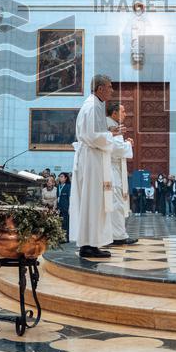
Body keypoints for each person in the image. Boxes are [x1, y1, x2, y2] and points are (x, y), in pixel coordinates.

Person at [70, 75, 117, 258]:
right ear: (100, 89)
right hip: (91, 159)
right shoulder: (92, 107)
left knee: (95, 201)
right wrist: (111, 136)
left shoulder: (96, 105)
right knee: (92, 201)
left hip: (93, 157)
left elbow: (96, 133)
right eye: (109, 87)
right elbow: (94, 136)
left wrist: (109, 132)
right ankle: (88, 244)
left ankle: (92, 242)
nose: (112, 90)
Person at [106, 100, 136, 245]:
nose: (125, 114)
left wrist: (126, 143)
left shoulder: (113, 126)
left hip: (114, 168)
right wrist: (128, 144)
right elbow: (117, 149)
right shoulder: (111, 125)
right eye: (123, 111)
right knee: (116, 202)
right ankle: (118, 236)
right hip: (111, 170)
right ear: (115, 113)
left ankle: (116, 233)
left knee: (116, 202)